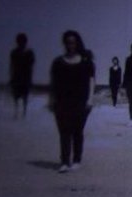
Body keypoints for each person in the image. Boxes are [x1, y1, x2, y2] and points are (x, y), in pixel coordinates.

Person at [49, 30, 95, 173]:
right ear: (65, 44)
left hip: (81, 102)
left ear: (77, 43)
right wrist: (51, 100)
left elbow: (91, 81)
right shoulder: (58, 62)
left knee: (77, 131)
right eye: (68, 42)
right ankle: (64, 162)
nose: (71, 45)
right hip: (62, 102)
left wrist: (90, 99)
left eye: (73, 42)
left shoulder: (86, 62)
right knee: (64, 132)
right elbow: (53, 83)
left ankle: (76, 160)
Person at [10, 33, 35, 118]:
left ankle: (24, 112)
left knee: (24, 96)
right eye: (20, 41)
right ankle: (17, 111)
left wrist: (30, 78)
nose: (21, 43)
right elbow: (12, 66)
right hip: (17, 77)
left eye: (22, 41)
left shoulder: (29, 53)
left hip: (25, 77)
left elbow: (31, 65)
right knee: (16, 96)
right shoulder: (14, 52)